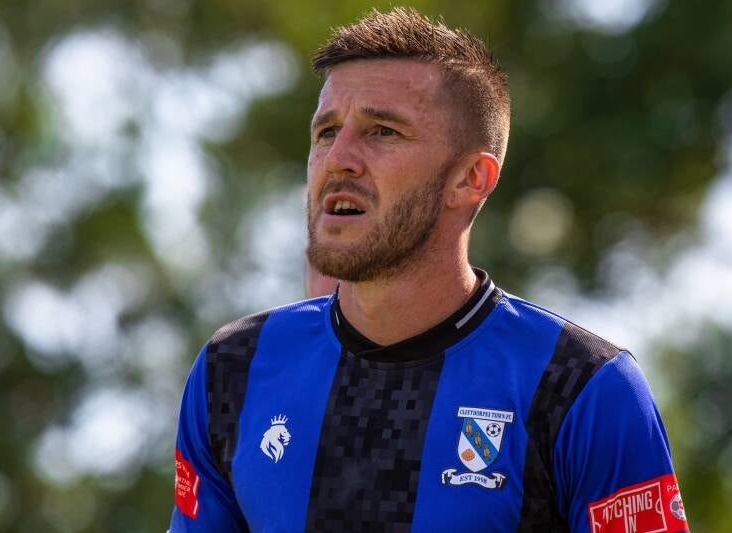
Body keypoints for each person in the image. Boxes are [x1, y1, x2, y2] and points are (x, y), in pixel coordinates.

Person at [169, 7, 690, 532]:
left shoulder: (582, 386)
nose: (338, 158)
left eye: (383, 131)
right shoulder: (233, 368)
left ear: (471, 179)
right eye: (326, 132)